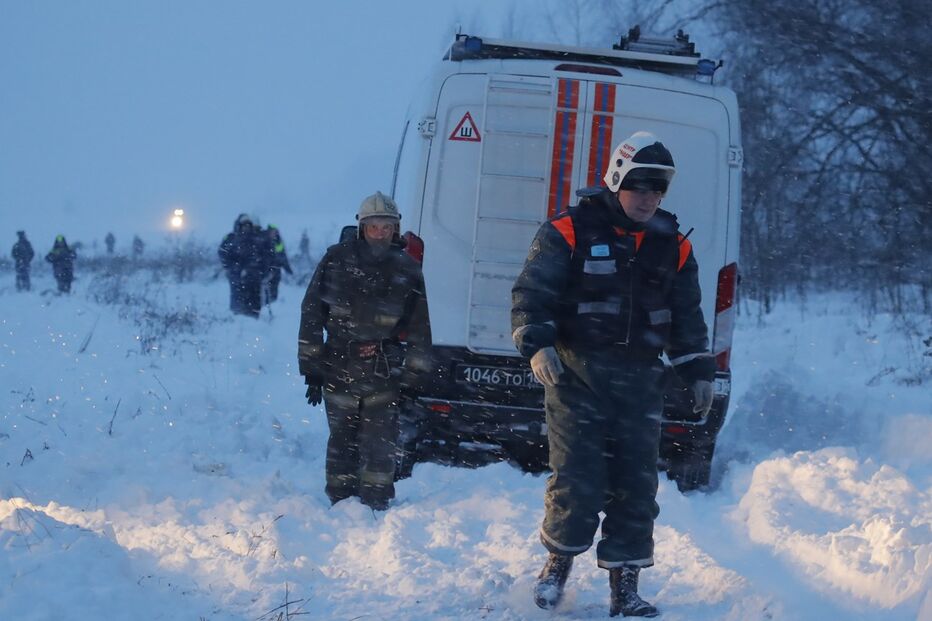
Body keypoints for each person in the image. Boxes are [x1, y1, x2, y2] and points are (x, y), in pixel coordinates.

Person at [511, 131, 715, 617]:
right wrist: (537, 345)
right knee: (577, 480)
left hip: (642, 381)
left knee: (636, 485)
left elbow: (687, 317)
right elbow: (531, 293)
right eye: (639, 186)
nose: (648, 198)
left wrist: (698, 368)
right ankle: (556, 567)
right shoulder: (568, 231)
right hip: (576, 376)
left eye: (657, 190)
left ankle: (626, 589)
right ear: (617, 180)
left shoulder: (673, 246)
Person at [298, 191, 432, 511]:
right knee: (341, 437)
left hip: (384, 368)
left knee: (380, 441)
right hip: (339, 363)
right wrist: (311, 369)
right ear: (362, 227)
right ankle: (340, 500)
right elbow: (312, 313)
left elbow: (419, 324)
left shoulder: (407, 268)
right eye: (375, 226)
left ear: (396, 229)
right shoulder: (336, 259)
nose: (381, 233)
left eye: (388, 226)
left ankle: (375, 501)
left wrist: (415, 375)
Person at [218, 214, 271, 318]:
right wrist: (232, 267)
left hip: (254, 276)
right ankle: (238, 317)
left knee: (254, 298)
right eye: (244, 225)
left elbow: (265, 256)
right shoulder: (231, 238)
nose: (246, 228)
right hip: (237, 276)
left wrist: (263, 271)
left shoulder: (257, 239)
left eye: (248, 225)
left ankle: (254, 317)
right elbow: (223, 252)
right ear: (239, 225)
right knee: (238, 298)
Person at [265, 224, 293, 303]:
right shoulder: (264, 241)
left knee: (274, 293)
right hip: (267, 270)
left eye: (275, 231)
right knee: (266, 290)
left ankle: (269, 303)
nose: (273, 233)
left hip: (277, 270)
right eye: (272, 231)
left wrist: (288, 269)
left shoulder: (279, 242)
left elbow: (284, 257)